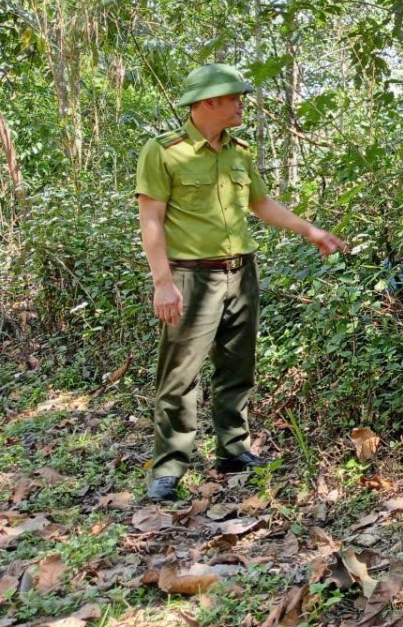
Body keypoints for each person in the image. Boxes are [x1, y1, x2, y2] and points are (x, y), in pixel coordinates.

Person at [135, 64, 347, 502]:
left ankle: (232, 449)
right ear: (208, 102)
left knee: (238, 365)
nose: (240, 106)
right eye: (233, 98)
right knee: (180, 375)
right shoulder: (164, 151)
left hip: (240, 271)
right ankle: (169, 466)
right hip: (190, 276)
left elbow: (260, 202)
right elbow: (151, 219)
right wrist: (163, 283)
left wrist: (311, 231)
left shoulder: (239, 151)